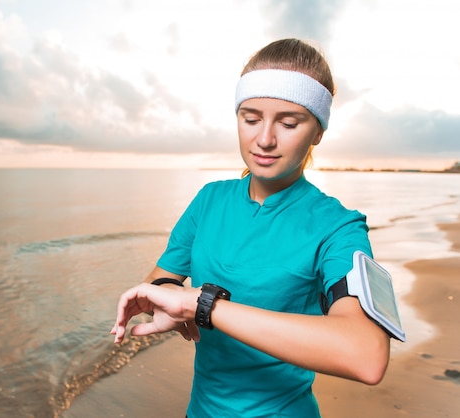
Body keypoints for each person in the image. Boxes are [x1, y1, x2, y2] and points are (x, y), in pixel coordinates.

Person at [110, 38, 391, 417]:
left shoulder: (340, 227)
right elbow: (161, 282)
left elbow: (366, 356)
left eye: (289, 122)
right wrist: (165, 300)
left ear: (318, 133)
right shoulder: (209, 200)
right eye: (251, 117)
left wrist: (201, 305)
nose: (264, 139)